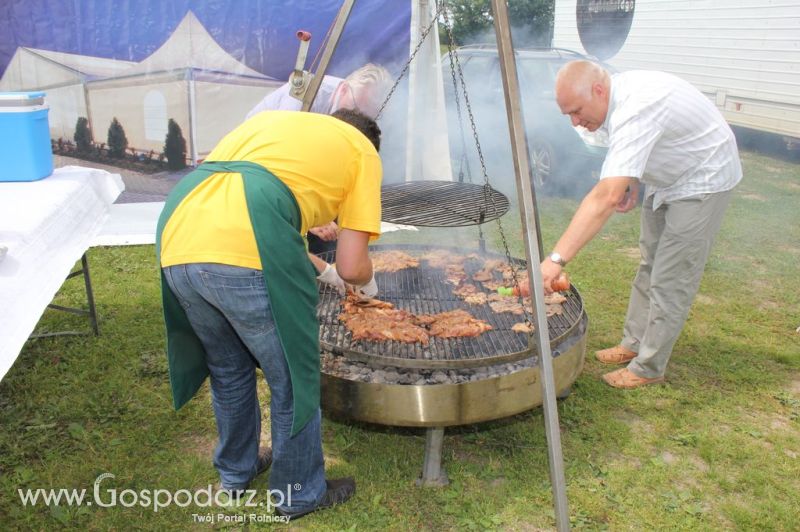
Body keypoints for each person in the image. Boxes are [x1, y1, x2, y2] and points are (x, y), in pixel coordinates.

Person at [156, 109, 382, 519]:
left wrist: (326, 272)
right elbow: (353, 265)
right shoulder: (363, 151)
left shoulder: (280, 129)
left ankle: (236, 472)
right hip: (246, 242)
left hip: (179, 231)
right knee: (293, 377)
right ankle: (298, 493)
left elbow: (269, 219)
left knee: (228, 369)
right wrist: (365, 285)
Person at [521, 60, 742, 389]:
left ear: (598, 90)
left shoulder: (637, 106)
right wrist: (632, 179)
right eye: (568, 114)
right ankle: (633, 343)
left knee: (671, 276)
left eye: (577, 111)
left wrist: (555, 261)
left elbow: (604, 198)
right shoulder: (611, 98)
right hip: (667, 177)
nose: (575, 121)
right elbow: (633, 150)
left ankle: (649, 367)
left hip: (703, 178)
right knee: (649, 262)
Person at [246, 63, 392, 256]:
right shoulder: (306, 97)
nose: (357, 117)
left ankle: (330, 268)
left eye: (367, 115)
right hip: (256, 169)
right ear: (343, 89)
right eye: (356, 107)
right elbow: (282, 162)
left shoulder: (351, 107)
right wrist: (315, 217)